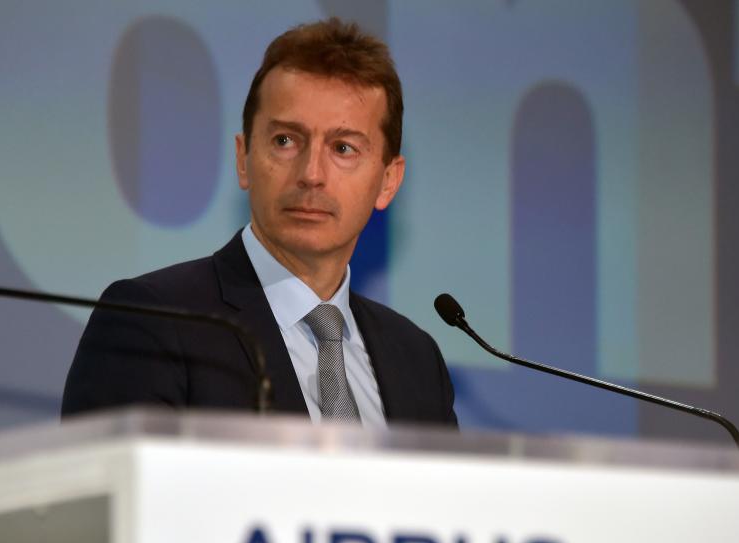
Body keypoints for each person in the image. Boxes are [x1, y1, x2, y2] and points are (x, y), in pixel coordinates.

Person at [62, 18, 457, 429]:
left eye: (343, 148)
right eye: (286, 140)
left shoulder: (417, 360)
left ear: (388, 181)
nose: (311, 173)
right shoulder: (154, 324)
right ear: (243, 158)